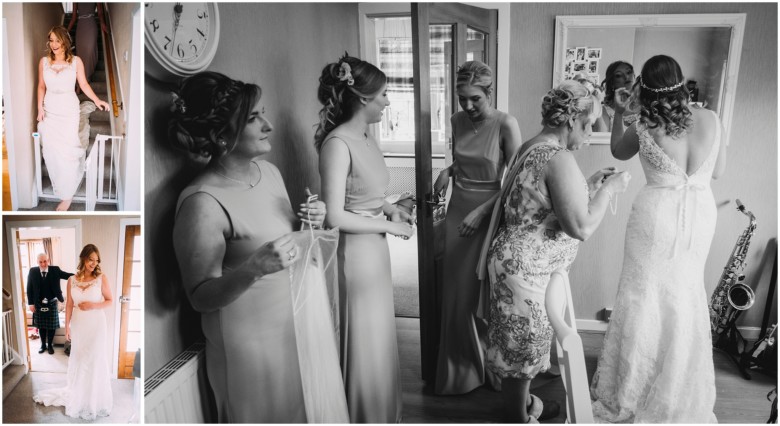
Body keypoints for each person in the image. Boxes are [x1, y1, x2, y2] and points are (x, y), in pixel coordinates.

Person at [171, 71, 346, 423]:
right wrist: (253, 268)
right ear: (222, 136)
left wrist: (312, 218)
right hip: (249, 345)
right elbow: (199, 296)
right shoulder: (201, 203)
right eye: (253, 118)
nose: (267, 124)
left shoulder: (269, 173)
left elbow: (286, 247)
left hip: (292, 326)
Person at [477, 80, 631, 423]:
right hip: (525, 268)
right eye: (588, 125)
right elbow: (581, 226)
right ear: (571, 119)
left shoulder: (533, 145)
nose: (589, 133)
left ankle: (522, 407)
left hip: (514, 260)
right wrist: (610, 190)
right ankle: (517, 417)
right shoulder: (558, 157)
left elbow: (542, 203)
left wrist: (588, 185)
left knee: (519, 349)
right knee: (522, 352)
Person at [590, 54, 727, 423]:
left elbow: (618, 151)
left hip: (656, 216)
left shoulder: (646, 122)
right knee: (684, 293)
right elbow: (719, 171)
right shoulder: (712, 119)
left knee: (644, 294)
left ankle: (636, 385)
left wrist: (620, 112)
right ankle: (679, 384)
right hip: (699, 214)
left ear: (643, 88)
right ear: (681, 82)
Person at [316, 54, 414, 423]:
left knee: (379, 334)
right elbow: (335, 214)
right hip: (353, 253)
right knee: (363, 336)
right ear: (362, 98)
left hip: (374, 249)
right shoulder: (338, 144)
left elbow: (368, 196)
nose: (388, 102)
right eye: (384, 95)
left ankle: (383, 410)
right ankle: (362, 415)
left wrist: (390, 210)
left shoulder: (367, 137)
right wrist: (390, 226)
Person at [432, 60, 522, 395]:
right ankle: (460, 368)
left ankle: (488, 365)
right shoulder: (457, 120)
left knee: (478, 292)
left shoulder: (506, 123)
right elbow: (465, 159)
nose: (467, 106)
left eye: (475, 99)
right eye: (462, 98)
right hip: (457, 210)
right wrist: (449, 171)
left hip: (488, 212)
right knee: (455, 292)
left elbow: (514, 179)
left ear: (489, 93)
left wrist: (483, 213)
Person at [33, 244, 113, 420]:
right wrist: (67, 327)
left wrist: (93, 305)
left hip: (97, 324)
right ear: (83, 258)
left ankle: (93, 401)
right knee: (80, 359)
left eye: (96, 260)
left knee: (94, 358)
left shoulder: (101, 278)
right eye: (90, 259)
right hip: (79, 325)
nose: (93, 263)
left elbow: (110, 301)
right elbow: (69, 304)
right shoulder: (72, 280)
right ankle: (80, 395)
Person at [37, 26, 110, 211]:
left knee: (68, 152)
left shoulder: (76, 61)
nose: (54, 44)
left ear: (65, 41)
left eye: (57, 40)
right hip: (50, 109)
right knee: (51, 150)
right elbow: (41, 87)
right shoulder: (44, 62)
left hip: (69, 110)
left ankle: (67, 196)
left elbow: (83, 84)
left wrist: (97, 99)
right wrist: (39, 109)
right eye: (51, 40)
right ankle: (60, 184)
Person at [27, 253, 73, 355]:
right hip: (38, 303)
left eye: (45, 261)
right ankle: (43, 345)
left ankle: (50, 345)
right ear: (37, 262)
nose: (43, 264)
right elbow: (29, 288)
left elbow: (67, 275)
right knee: (41, 326)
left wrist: (82, 275)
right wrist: (30, 303)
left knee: (51, 327)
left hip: (52, 302)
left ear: (48, 260)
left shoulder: (55, 270)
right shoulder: (33, 271)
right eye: (40, 262)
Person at [67, 3, 107, 82]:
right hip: (81, 26)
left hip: (91, 24)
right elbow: (74, 17)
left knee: (90, 51)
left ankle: (85, 79)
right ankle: (80, 83)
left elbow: (100, 13)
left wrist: (102, 23)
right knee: (80, 55)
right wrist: (66, 31)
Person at [595, 61, 637, 132]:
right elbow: (602, 141)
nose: (626, 77)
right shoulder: (603, 111)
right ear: (612, 83)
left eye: (629, 72)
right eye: (618, 75)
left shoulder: (645, 107)